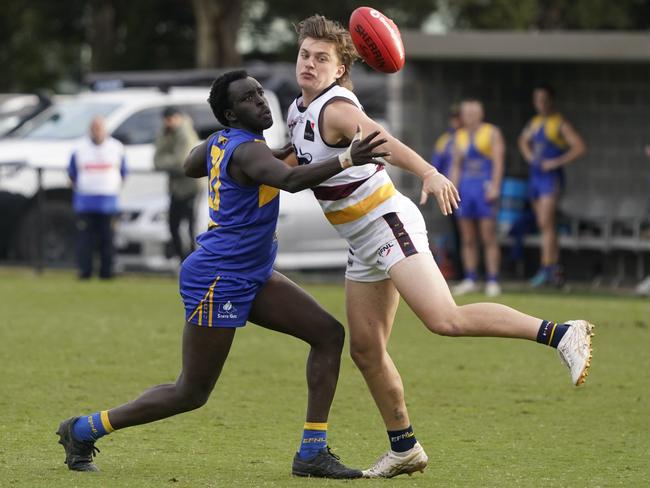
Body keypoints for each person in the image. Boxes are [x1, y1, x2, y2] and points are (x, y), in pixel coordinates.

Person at [288, 15, 595, 479]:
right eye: (305, 55)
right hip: (361, 241)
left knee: (444, 319)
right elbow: (293, 163)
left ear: (340, 69)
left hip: (386, 223)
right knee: (367, 350)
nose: (310, 64)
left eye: (322, 59)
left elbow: (382, 141)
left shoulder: (336, 109)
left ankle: (561, 332)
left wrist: (428, 172)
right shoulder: (298, 111)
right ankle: (404, 448)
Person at [57, 70, 390, 478]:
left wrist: (255, 145)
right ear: (232, 114)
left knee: (327, 334)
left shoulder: (230, 143)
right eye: (249, 99)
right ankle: (82, 428)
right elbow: (287, 180)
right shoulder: (248, 151)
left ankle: (311, 453)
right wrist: (346, 158)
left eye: (260, 93)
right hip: (220, 277)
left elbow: (190, 163)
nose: (262, 101)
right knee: (191, 392)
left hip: (251, 272)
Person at [518, 84, 586, 287]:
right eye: (537, 99)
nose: (540, 103)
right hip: (536, 177)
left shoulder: (559, 123)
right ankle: (551, 266)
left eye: (543, 99)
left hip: (550, 178)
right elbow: (522, 140)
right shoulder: (535, 123)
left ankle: (547, 267)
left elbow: (579, 146)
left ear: (551, 100)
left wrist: (556, 162)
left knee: (547, 222)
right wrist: (530, 157)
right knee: (542, 223)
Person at [449, 99, 505, 297]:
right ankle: (470, 278)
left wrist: (496, 187)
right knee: (468, 237)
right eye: (466, 114)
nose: (469, 117)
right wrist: (452, 188)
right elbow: (456, 165)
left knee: (488, 236)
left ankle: (492, 279)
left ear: (480, 114)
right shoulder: (459, 136)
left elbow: (498, 162)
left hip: (484, 188)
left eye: (473, 113)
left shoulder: (491, 133)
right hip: (466, 188)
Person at [68, 116, 127, 279]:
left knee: (107, 241)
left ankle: (107, 273)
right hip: (86, 202)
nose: (97, 132)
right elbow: (72, 173)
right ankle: (84, 272)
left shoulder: (116, 147)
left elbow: (123, 171)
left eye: (100, 128)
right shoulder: (80, 148)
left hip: (108, 202)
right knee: (85, 241)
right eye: (94, 128)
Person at [154, 107, 201, 261]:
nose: (168, 123)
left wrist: (167, 161)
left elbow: (182, 162)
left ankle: (193, 260)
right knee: (173, 225)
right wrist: (170, 161)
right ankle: (183, 259)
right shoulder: (165, 133)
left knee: (190, 226)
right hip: (176, 188)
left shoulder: (185, 134)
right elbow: (156, 161)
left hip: (191, 187)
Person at [429, 104, 462, 279]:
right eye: (455, 118)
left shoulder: (468, 137)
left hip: (469, 192)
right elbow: (436, 167)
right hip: (451, 193)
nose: (457, 122)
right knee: (455, 233)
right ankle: (458, 270)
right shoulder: (445, 141)